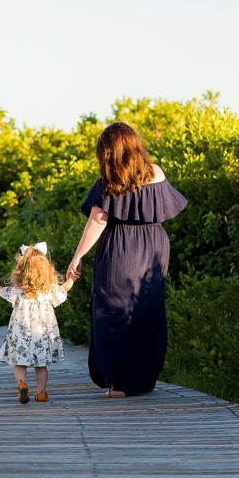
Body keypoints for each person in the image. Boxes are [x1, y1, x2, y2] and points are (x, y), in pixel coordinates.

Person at [66, 122, 187, 397]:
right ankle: (143, 379)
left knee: (113, 309)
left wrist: (77, 257)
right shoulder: (156, 173)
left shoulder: (111, 180)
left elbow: (97, 221)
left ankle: (119, 382)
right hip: (155, 246)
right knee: (147, 309)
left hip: (121, 247)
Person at [0, 243, 76, 404]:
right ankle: (41, 393)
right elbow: (64, 289)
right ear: (47, 270)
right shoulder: (50, 290)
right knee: (41, 366)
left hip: (21, 335)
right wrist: (72, 278)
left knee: (19, 363)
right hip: (42, 335)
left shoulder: (18, 290)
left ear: (21, 270)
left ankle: (21, 384)